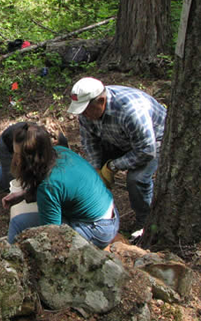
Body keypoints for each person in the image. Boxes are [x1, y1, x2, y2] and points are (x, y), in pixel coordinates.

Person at [67, 77, 166, 231]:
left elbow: (146, 150)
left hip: (155, 142)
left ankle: (145, 222)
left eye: (86, 110)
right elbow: (89, 142)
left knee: (137, 179)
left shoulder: (130, 110)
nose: (84, 114)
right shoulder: (87, 113)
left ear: (101, 101)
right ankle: (99, 215)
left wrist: (112, 166)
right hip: (120, 138)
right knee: (91, 174)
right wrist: (96, 169)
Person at [1, 123, 118, 248]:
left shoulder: (49, 186)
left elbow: (52, 236)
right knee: (22, 222)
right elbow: (63, 188)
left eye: (18, 155)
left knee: (20, 224)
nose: (16, 160)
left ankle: (11, 262)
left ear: (30, 160)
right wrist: (25, 195)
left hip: (97, 229)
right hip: (110, 214)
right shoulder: (60, 152)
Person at [0, 122, 70, 191]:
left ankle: (2, 162)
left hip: (21, 145)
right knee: (10, 183)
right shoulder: (32, 146)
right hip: (8, 144)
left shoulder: (61, 142)